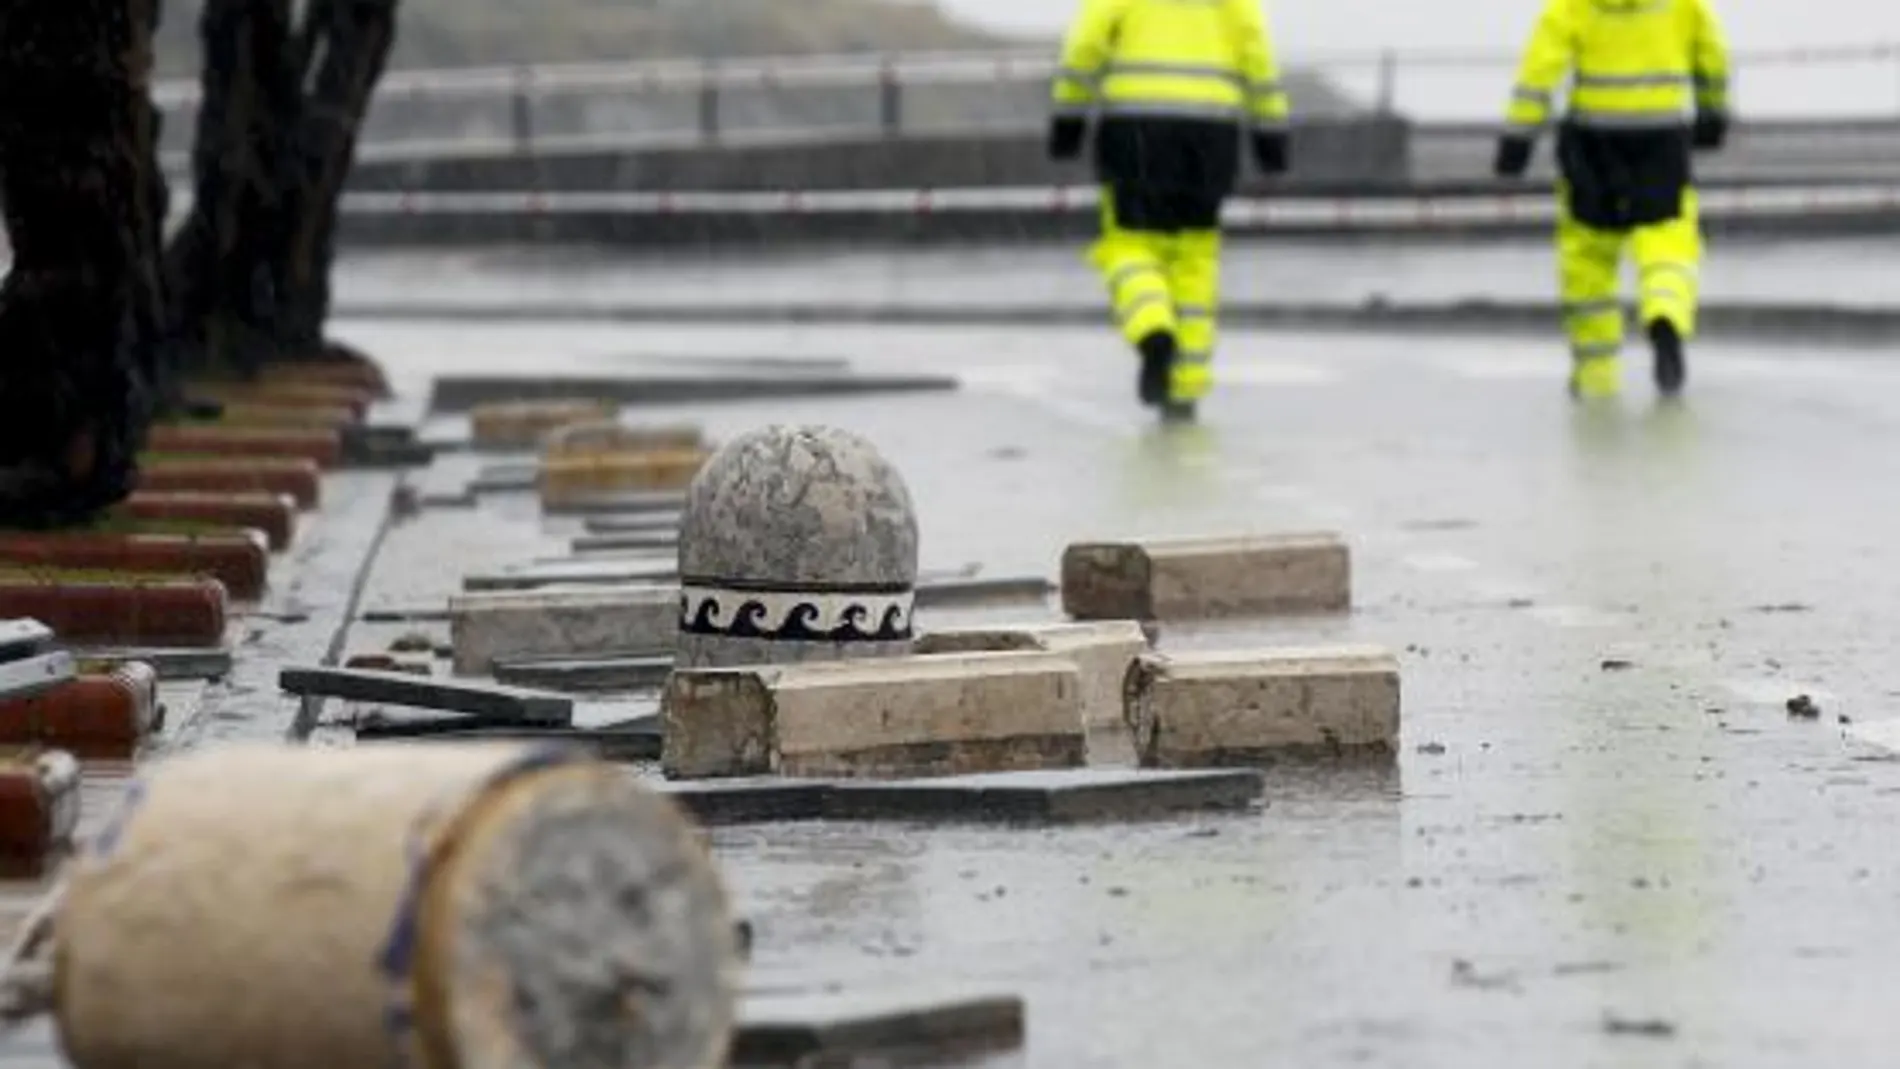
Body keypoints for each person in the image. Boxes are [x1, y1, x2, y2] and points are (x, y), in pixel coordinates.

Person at [1047, 0, 1291, 422]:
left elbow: (1085, 44)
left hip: (1136, 131)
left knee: (1129, 245)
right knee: (1195, 260)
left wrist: (1068, 120)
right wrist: (1271, 134)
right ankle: (1184, 389)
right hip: (1211, 137)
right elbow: (1256, 51)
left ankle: (1151, 328)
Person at [1494, 0, 1731, 401]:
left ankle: (1595, 376)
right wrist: (1712, 114)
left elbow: (1540, 70)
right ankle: (1665, 317)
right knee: (1668, 243)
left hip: (1592, 144)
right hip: (1661, 140)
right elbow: (1710, 52)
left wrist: (1518, 139)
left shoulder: (1571, 7)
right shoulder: (1683, 5)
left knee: (1588, 260)